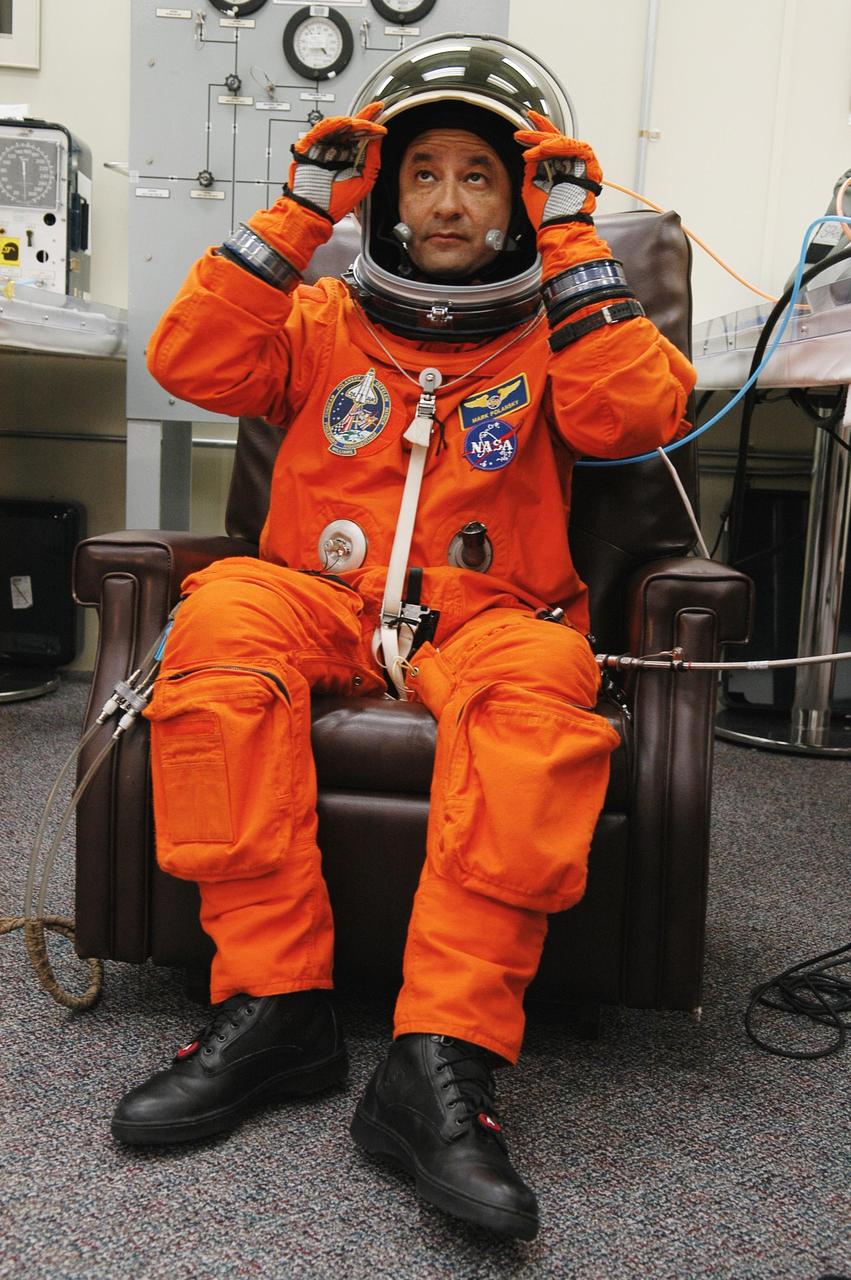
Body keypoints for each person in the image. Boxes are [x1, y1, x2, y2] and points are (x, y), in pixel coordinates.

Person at [110, 35, 696, 1241]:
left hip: (494, 617)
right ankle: (275, 1006)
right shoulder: (319, 315)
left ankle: (437, 1059)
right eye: (421, 172)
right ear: (383, 197)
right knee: (216, 623)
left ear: (517, 201)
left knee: (545, 692)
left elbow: (635, 414)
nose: (444, 199)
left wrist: (573, 245)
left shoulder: (554, 332)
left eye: (478, 176)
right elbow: (189, 359)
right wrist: (295, 214)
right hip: (314, 594)